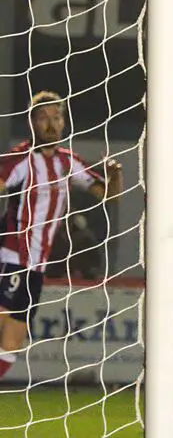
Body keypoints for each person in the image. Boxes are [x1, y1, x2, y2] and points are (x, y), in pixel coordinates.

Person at [0, 90, 123, 380]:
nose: (51, 124)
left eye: (56, 118)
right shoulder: (20, 159)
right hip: (12, 257)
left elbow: (109, 195)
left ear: (64, 122)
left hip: (37, 266)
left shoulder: (68, 162)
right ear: (32, 123)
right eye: (43, 118)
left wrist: (114, 174)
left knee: (12, 342)